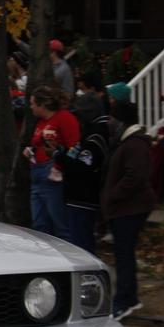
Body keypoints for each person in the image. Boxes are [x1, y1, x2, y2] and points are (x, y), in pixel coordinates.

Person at [102, 101, 156, 320]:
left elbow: (135, 177)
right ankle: (128, 297)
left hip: (131, 208)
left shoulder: (135, 145)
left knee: (124, 254)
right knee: (123, 253)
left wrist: (113, 195)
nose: (110, 122)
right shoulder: (128, 142)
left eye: (112, 118)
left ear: (121, 120)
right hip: (125, 207)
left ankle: (125, 300)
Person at [47, 93, 110, 254]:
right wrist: (60, 151)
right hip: (77, 196)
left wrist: (57, 156)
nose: (78, 118)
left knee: (82, 245)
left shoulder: (95, 137)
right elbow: (76, 157)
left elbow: (82, 167)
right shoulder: (90, 134)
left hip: (84, 198)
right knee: (79, 241)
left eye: (80, 114)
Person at [25, 86, 79, 241]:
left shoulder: (64, 118)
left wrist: (58, 167)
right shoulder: (41, 122)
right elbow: (37, 142)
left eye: (33, 104)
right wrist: (30, 151)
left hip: (52, 175)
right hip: (37, 173)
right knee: (39, 224)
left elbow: (74, 146)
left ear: (43, 105)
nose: (31, 107)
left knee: (60, 223)